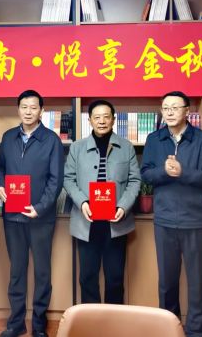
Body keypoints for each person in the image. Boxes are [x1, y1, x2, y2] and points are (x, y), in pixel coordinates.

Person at [141, 91, 202, 337]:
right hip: (164, 220)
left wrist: (183, 172)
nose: (170, 112)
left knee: (197, 283)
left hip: (196, 221)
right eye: (165, 108)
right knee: (167, 282)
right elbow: (146, 174)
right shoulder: (154, 140)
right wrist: (164, 172)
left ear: (187, 111)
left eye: (175, 107)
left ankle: (197, 332)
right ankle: (169, 329)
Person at [0, 90, 64, 337]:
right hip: (13, 216)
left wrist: (40, 207)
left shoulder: (52, 140)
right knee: (17, 272)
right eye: (24, 107)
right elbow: (0, 168)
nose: (28, 111)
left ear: (41, 111)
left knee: (42, 273)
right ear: (18, 109)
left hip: (40, 218)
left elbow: (56, 181)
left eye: (33, 107)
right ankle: (15, 324)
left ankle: (39, 326)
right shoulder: (8, 137)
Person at [64, 99, 141, 304]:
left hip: (116, 222)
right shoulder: (77, 148)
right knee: (87, 277)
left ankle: (114, 319)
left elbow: (135, 180)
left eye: (106, 117)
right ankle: (91, 320)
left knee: (115, 278)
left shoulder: (126, 147)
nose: (102, 121)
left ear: (113, 120)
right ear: (89, 120)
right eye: (97, 117)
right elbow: (68, 179)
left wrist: (123, 206)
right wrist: (82, 202)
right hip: (86, 222)